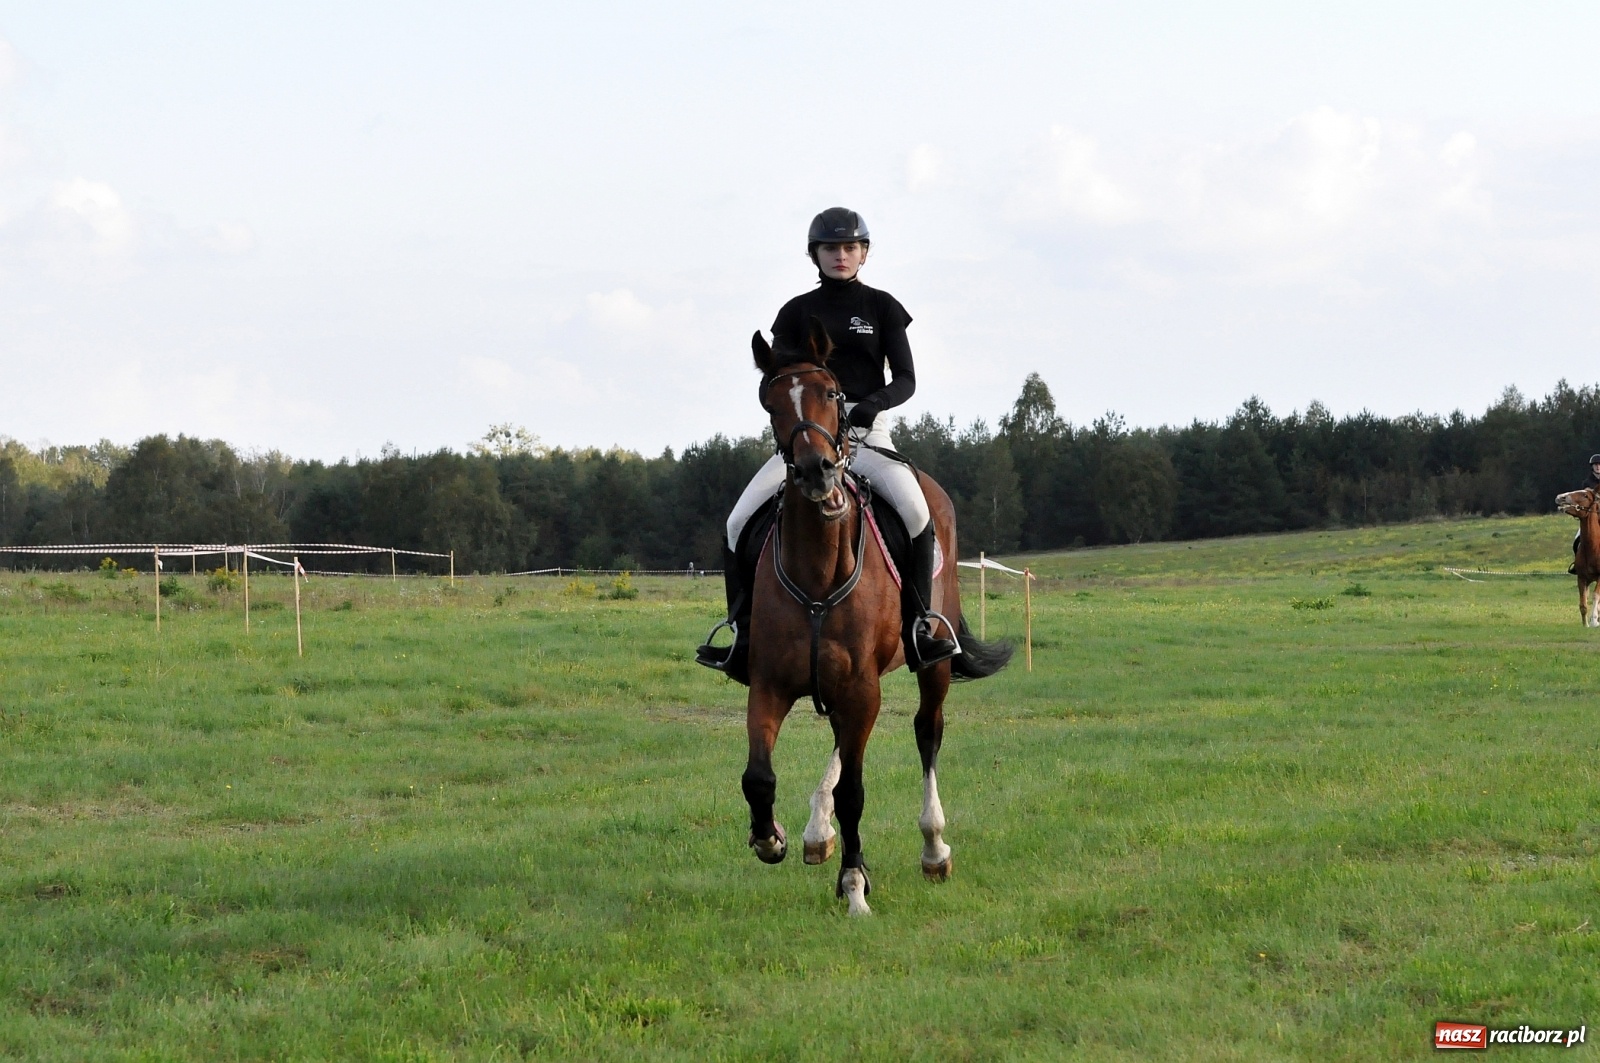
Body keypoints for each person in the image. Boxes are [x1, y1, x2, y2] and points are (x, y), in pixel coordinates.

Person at [697, 207, 959, 683]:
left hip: (866, 432)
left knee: (917, 513)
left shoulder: (882, 307)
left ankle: (920, 625)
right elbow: (775, 376)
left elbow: (906, 379)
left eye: (850, 247)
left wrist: (872, 404)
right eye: (831, 248)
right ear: (814, 255)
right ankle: (743, 634)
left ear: (864, 253)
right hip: (807, 438)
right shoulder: (794, 312)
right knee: (737, 522)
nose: (841, 255)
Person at [1571, 453, 1600, 574]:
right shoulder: (1587, 483)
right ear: (1592, 467)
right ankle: (1577, 564)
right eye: (1595, 465)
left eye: (1599, 465)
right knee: (1577, 539)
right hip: (1590, 518)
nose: (1598, 467)